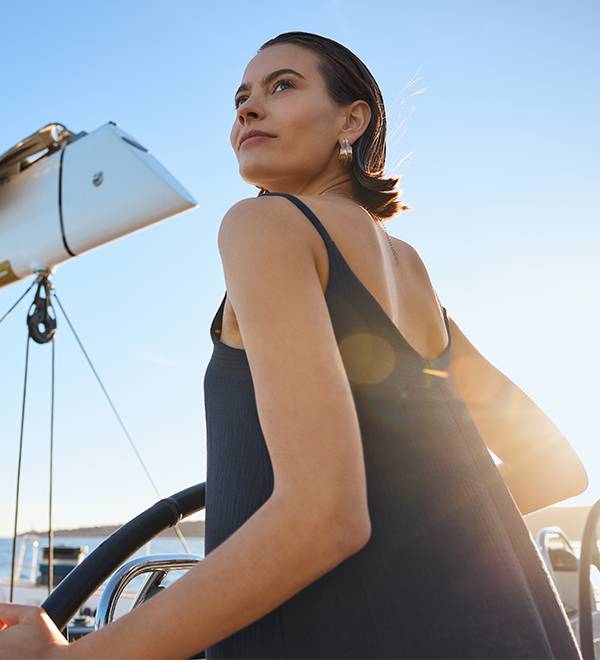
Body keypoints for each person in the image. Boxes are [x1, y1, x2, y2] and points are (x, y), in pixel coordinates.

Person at [0, 30, 589, 660]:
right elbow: (554, 466)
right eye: (240, 99)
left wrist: (69, 657)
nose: (248, 109)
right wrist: (400, 542)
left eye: (282, 86)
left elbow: (324, 517)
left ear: (352, 120)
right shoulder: (412, 271)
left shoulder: (264, 224)